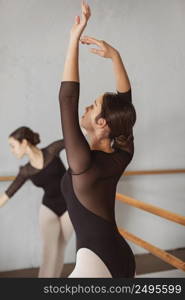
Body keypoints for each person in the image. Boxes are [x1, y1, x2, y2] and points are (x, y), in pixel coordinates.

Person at [59, 1, 136, 278]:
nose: (85, 108)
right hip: (121, 259)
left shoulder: (84, 165)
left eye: (92, 106)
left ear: (102, 123)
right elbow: (124, 107)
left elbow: (67, 99)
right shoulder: (121, 155)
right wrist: (115, 57)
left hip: (96, 265)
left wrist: (73, 39)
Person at [0, 126, 73, 277]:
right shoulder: (26, 171)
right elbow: (8, 193)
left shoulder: (52, 151)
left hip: (70, 207)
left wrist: (92, 128)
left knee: (60, 248)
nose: (12, 151)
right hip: (49, 208)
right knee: (49, 251)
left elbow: (74, 140)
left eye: (13, 146)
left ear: (24, 143)